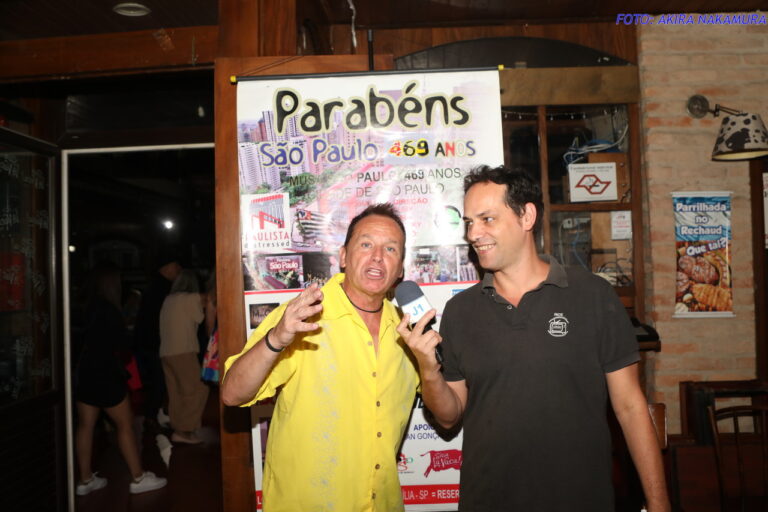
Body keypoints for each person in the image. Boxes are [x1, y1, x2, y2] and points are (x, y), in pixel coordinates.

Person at [398, 165, 670, 512]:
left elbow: (631, 407)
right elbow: (449, 416)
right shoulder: (461, 310)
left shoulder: (592, 295)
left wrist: (659, 502)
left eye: (487, 219)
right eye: (469, 222)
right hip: (489, 501)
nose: (474, 234)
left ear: (526, 216)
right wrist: (428, 368)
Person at [222, 203, 419, 512]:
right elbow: (232, 393)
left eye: (390, 248)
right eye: (366, 244)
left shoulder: (409, 332)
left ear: (400, 269)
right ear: (343, 257)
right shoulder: (302, 317)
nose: (378, 256)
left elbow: (447, 409)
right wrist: (276, 339)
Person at [74, 262, 167, 496]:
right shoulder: (109, 310)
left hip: (85, 372)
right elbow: (123, 345)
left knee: (85, 426)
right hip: (106, 373)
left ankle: (85, 480)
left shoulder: (85, 307)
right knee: (125, 425)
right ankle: (138, 477)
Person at [134, 252, 182, 429]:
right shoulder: (163, 289)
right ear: (167, 267)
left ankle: (156, 414)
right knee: (159, 381)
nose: (178, 270)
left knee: (159, 380)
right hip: (156, 343)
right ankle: (151, 416)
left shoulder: (155, 286)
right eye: (176, 266)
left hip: (151, 342)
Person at [159, 269, 207, 444]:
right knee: (198, 390)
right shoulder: (191, 298)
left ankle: (178, 428)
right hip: (183, 351)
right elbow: (199, 317)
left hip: (165, 352)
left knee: (176, 393)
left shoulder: (168, 299)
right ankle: (185, 430)